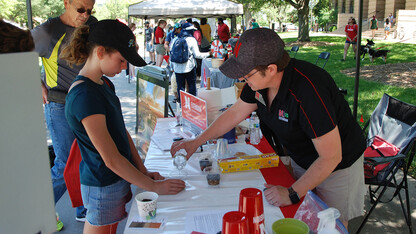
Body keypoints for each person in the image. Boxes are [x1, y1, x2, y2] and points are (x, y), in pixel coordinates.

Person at [171, 28, 366, 228]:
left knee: (330, 224)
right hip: (305, 157)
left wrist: (292, 192)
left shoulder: (308, 91)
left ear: (271, 69)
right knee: (305, 218)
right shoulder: (259, 83)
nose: (241, 79)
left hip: (338, 166)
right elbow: (234, 114)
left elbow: (331, 157)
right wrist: (196, 142)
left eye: (246, 74)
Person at [60, 19, 186, 233]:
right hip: (102, 184)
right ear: (100, 52)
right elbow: (111, 159)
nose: (124, 66)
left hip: (117, 179)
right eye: (120, 60)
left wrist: (142, 170)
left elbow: (121, 132)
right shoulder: (85, 95)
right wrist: (154, 187)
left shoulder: (103, 83)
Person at [31, 0, 97, 227]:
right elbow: (15, 51)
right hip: (59, 104)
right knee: (64, 163)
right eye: (80, 9)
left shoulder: (92, 25)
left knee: (85, 159)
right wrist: (37, 82)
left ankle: (81, 208)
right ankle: (37, 211)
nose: (85, 15)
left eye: (89, 10)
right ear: (66, 3)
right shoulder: (48, 31)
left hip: (86, 102)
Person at [170, 22, 211, 103]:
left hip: (177, 68)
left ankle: (182, 106)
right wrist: (208, 54)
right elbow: (197, 55)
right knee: (192, 86)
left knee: (180, 88)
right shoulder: (192, 40)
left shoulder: (175, 39)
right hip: (189, 67)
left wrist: (172, 67)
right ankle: (193, 105)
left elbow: (171, 54)